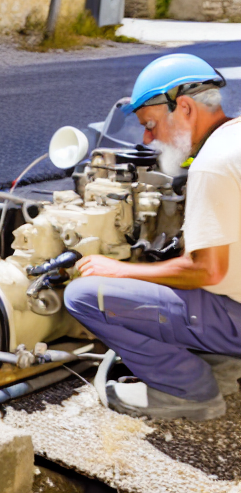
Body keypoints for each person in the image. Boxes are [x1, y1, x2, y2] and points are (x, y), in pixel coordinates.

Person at [64, 53, 240, 421]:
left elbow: (207, 272)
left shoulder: (212, 165)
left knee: (83, 296)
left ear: (186, 108)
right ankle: (221, 361)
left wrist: (118, 270)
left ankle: (189, 391)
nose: (148, 138)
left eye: (150, 124)